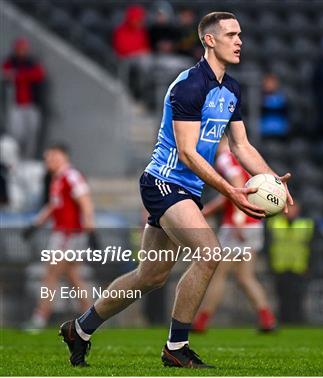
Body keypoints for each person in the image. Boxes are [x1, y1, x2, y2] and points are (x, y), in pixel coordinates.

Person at [59, 12, 292, 369]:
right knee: (210, 253)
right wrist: (231, 191)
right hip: (163, 183)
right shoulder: (189, 86)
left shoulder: (231, 89)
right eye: (231, 34)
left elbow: (241, 147)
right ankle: (176, 347)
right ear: (209, 40)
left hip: (186, 189)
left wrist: (275, 181)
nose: (239, 40)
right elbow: (186, 152)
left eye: (240, 34)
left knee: (150, 275)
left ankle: (80, 328)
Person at [192, 141, 276, 332]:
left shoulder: (224, 158)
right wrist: (207, 212)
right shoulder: (241, 159)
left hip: (236, 225)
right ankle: (267, 319)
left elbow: (238, 187)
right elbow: (229, 195)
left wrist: (239, 217)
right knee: (245, 277)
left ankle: (201, 321)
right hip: (254, 224)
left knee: (218, 274)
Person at [23, 143, 94, 330]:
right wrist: (36, 224)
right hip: (64, 233)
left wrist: (90, 229)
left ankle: (40, 316)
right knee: (73, 277)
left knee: (50, 275)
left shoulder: (71, 176)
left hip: (68, 235)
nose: (49, 161)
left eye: (52, 157)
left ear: (63, 157)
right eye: (47, 158)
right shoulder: (58, 179)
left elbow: (85, 202)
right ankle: (91, 317)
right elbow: (54, 206)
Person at [267, 203, 313, 324]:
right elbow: (268, 246)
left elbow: (312, 246)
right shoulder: (273, 223)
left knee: (298, 296)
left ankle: (298, 321)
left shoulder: (306, 224)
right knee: (282, 296)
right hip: (279, 266)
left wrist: (310, 265)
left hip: (299, 266)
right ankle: (283, 320)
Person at [2, 37, 46, 159]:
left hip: (32, 105)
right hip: (15, 106)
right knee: (15, 135)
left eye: (24, 49)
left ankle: (28, 160)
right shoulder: (10, 61)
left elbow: (39, 74)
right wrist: (21, 76)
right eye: (19, 49)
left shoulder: (32, 62)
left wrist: (18, 75)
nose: (22, 51)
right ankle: (14, 161)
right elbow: (5, 74)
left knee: (31, 136)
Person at [260, 73, 289, 140]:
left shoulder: (282, 98)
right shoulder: (258, 98)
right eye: (267, 82)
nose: (269, 85)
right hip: (264, 133)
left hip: (280, 133)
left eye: (272, 82)